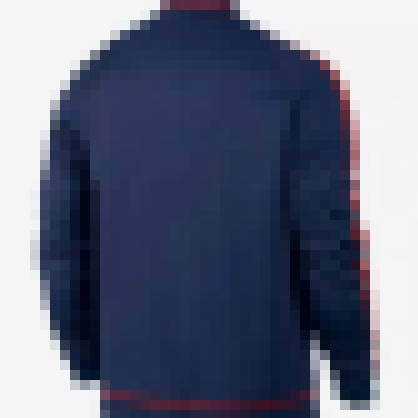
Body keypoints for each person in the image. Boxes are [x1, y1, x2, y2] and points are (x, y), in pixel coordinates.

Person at [40, 1, 375, 416]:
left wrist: (85, 356)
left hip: (137, 391)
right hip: (264, 390)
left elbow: (63, 245)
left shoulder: (91, 84)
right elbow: (328, 243)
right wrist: (354, 372)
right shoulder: (298, 79)